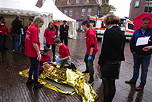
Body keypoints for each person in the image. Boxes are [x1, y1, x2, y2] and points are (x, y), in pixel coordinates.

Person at [97, 14, 125, 102]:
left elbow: (105, 49)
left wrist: (100, 63)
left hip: (108, 62)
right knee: (112, 84)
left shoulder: (108, 31)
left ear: (107, 22)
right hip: (117, 61)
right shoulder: (121, 32)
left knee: (106, 84)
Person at [125, 17, 152, 91]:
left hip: (146, 55)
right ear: (142, 23)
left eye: (148, 23)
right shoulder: (136, 31)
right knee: (136, 68)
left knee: (144, 70)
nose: (147, 25)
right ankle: (133, 80)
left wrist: (150, 46)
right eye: (145, 23)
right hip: (136, 54)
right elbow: (132, 42)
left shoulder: (151, 31)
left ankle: (142, 85)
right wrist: (132, 51)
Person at [25, 17, 44, 89]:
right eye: (41, 25)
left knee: (32, 66)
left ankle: (29, 79)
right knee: (36, 67)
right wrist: (38, 53)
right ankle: (36, 84)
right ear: (38, 22)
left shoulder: (30, 27)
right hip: (33, 52)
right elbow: (34, 43)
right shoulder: (34, 29)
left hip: (29, 50)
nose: (41, 26)